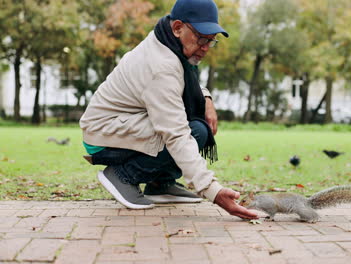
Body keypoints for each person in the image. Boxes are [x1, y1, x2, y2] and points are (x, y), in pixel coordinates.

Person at [79, 0, 258, 220]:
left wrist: (206, 98)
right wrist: (212, 191)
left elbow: (180, 84)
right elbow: (175, 133)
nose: (205, 48)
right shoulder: (161, 65)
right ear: (177, 27)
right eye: (201, 38)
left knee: (197, 127)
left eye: (211, 41)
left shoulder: (166, 42)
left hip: (122, 124)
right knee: (195, 132)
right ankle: (122, 176)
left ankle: (160, 183)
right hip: (103, 137)